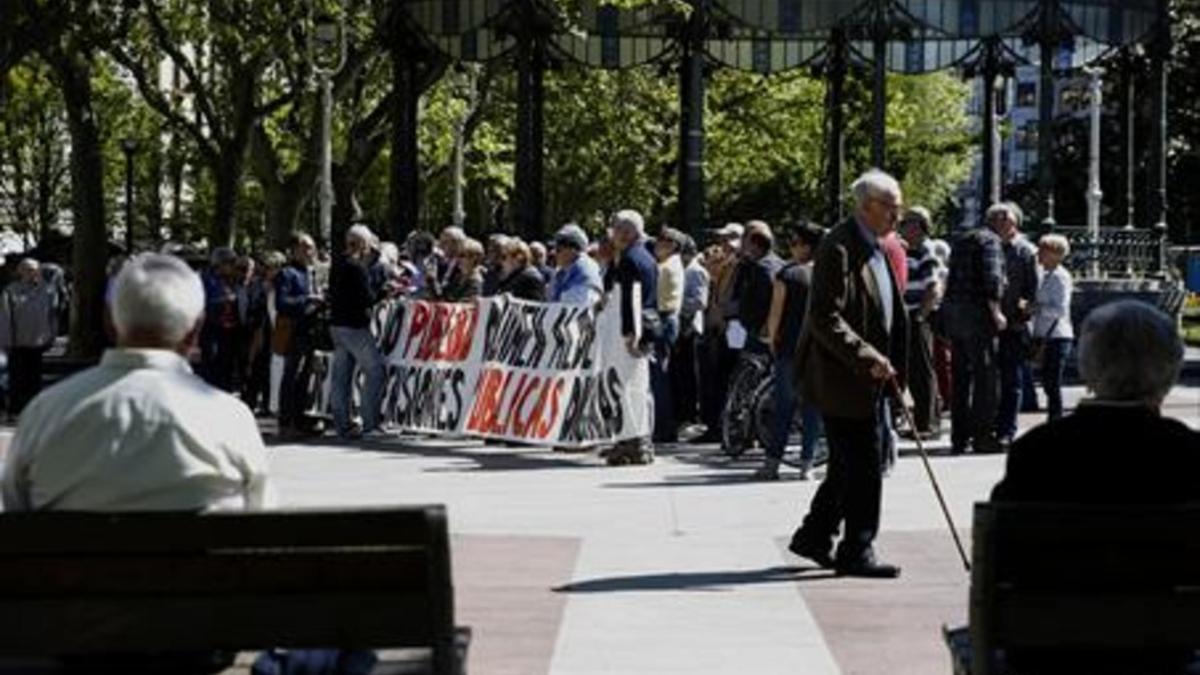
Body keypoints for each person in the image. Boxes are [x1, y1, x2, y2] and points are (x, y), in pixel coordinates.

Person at [990, 300, 1200, 674]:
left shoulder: (1036, 452)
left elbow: (1001, 554)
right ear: (1169, 373)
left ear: (1089, 367)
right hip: (1162, 654)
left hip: (1046, 654)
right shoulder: (1189, 455)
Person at [2, 253, 273, 511]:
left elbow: (16, 503)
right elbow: (260, 511)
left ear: (112, 321)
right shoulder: (230, 418)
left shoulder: (45, 412)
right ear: (195, 329)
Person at [788, 169, 910, 579]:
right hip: (843, 377)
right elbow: (825, 317)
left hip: (868, 377)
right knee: (865, 464)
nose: (898, 215)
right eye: (891, 207)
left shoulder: (875, 244)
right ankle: (857, 549)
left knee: (847, 464)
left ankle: (814, 535)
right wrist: (867, 355)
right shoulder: (838, 245)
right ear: (867, 206)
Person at [757, 221, 825, 481]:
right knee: (812, 408)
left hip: (789, 347)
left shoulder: (788, 274)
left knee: (784, 406)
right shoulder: (826, 274)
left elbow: (776, 312)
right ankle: (808, 463)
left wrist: (772, 339)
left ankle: (772, 462)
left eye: (795, 243)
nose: (792, 248)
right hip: (818, 348)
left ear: (807, 246)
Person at [942, 204, 1008, 455]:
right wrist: (996, 312)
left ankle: (958, 438)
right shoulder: (990, 241)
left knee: (960, 379)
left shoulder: (962, 240)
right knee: (986, 378)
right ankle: (983, 436)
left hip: (956, 316)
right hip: (978, 317)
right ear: (999, 220)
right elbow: (992, 281)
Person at [605, 209, 658, 465]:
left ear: (626, 232)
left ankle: (631, 441)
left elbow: (629, 299)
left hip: (631, 330)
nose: (612, 234)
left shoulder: (629, 259)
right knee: (639, 386)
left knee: (626, 387)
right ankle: (640, 440)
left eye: (615, 229)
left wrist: (629, 333)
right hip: (646, 327)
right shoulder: (647, 256)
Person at [328, 225, 388, 440]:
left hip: (337, 325)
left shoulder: (338, 263)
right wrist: (385, 292)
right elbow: (367, 298)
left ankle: (342, 424)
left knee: (341, 376)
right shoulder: (357, 267)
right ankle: (370, 423)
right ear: (363, 244)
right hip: (355, 327)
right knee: (375, 371)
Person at [993, 202, 1039, 447]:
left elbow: (1034, 290)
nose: (1001, 222)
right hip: (987, 324)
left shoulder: (1025, 251)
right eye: (997, 219)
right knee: (989, 378)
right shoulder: (987, 247)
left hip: (1013, 325)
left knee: (1011, 380)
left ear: (1016, 222)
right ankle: (989, 424)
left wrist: (1024, 312)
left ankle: (1006, 430)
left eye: (1006, 218)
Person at [693, 225, 742, 444]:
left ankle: (728, 427)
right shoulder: (722, 267)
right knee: (714, 379)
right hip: (716, 329)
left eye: (728, 240)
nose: (723, 245)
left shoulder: (740, 267)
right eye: (722, 240)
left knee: (727, 379)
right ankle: (715, 426)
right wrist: (713, 273)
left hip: (732, 329)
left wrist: (726, 316)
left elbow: (737, 298)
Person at [897, 206, 944, 437]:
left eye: (906, 223)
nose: (902, 227)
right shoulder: (908, 250)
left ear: (918, 226)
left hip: (917, 316)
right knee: (912, 370)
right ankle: (922, 421)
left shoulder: (926, 249)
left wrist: (919, 316)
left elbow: (933, 287)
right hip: (909, 315)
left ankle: (927, 424)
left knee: (921, 370)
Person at [276, 233, 325, 437]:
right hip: (295, 330)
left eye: (311, 247)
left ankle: (301, 418)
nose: (309, 251)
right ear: (294, 250)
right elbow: (282, 303)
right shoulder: (287, 274)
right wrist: (308, 299)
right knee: (291, 376)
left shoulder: (312, 272)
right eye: (305, 247)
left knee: (306, 377)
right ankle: (286, 421)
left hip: (310, 330)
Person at [0, 258, 59, 417]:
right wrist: (6, 341)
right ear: (20, 272)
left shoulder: (48, 291)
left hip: (38, 342)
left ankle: (33, 412)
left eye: (35, 269)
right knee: (17, 379)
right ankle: (14, 411)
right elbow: (5, 317)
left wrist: (52, 335)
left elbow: (52, 315)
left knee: (34, 379)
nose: (32, 272)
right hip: (18, 342)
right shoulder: (10, 291)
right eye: (28, 269)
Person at [1031, 234, 1074, 422]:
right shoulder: (1043, 274)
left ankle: (1056, 418)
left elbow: (1060, 309)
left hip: (1057, 336)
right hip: (1044, 334)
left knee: (1052, 381)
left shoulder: (1060, 277)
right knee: (1048, 382)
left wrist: (1036, 308)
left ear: (1055, 254)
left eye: (1043, 250)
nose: (1038, 253)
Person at [652, 227, 687, 443]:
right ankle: (665, 425)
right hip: (668, 318)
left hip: (664, 318)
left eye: (663, 240)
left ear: (674, 245)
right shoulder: (671, 264)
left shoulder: (665, 267)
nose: (658, 243)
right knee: (661, 374)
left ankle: (664, 426)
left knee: (659, 376)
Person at [673, 234, 708, 428]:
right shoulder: (684, 270)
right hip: (682, 327)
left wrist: (675, 304)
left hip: (690, 329)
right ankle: (683, 412)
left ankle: (690, 414)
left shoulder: (695, 271)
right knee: (682, 373)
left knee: (689, 375)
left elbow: (699, 302)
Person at [199, 247, 241, 391]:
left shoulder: (232, 281)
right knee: (211, 364)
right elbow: (202, 303)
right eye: (229, 263)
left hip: (229, 331)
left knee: (226, 365)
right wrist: (223, 300)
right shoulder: (206, 279)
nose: (232, 266)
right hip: (212, 330)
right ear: (220, 263)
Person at [549, 224, 603, 306]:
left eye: (558, 249)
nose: (553, 253)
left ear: (573, 249)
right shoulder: (563, 271)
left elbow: (577, 307)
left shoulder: (586, 272)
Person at [439, 238, 486, 302]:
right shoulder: (458, 277)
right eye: (457, 255)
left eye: (462, 255)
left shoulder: (475, 282)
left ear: (474, 258)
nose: (457, 259)